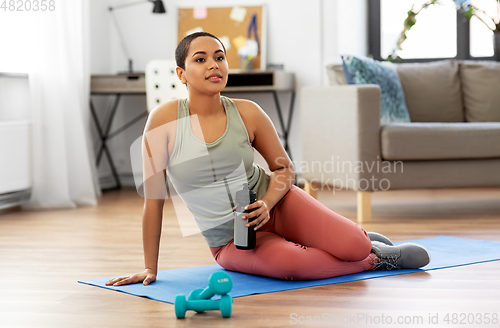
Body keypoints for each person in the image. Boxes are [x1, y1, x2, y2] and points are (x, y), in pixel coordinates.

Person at [106, 32, 430, 287]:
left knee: (352, 245)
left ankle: (359, 242)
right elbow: (153, 202)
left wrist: (268, 203)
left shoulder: (248, 112)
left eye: (219, 57)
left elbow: (284, 169)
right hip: (231, 240)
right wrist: (150, 267)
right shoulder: (163, 121)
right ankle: (376, 259)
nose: (213, 65)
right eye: (201, 59)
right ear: (182, 73)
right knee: (294, 266)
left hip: (278, 205)